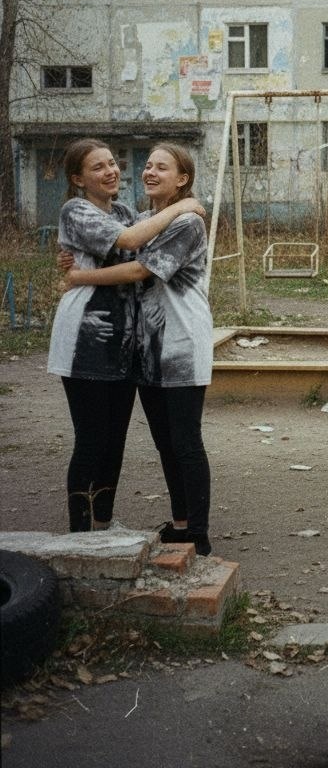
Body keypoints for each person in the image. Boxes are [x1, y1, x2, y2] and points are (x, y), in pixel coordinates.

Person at [61, 143, 214, 554]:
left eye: (162, 167)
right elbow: (122, 240)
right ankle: (176, 525)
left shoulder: (187, 222)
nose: (149, 172)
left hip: (181, 345)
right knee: (162, 442)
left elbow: (141, 269)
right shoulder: (142, 218)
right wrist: (75, 262)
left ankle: (197, 534)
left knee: (185, 441)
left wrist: (79, 277)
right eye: (147, 165)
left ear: (182, 179)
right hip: (143, 350)